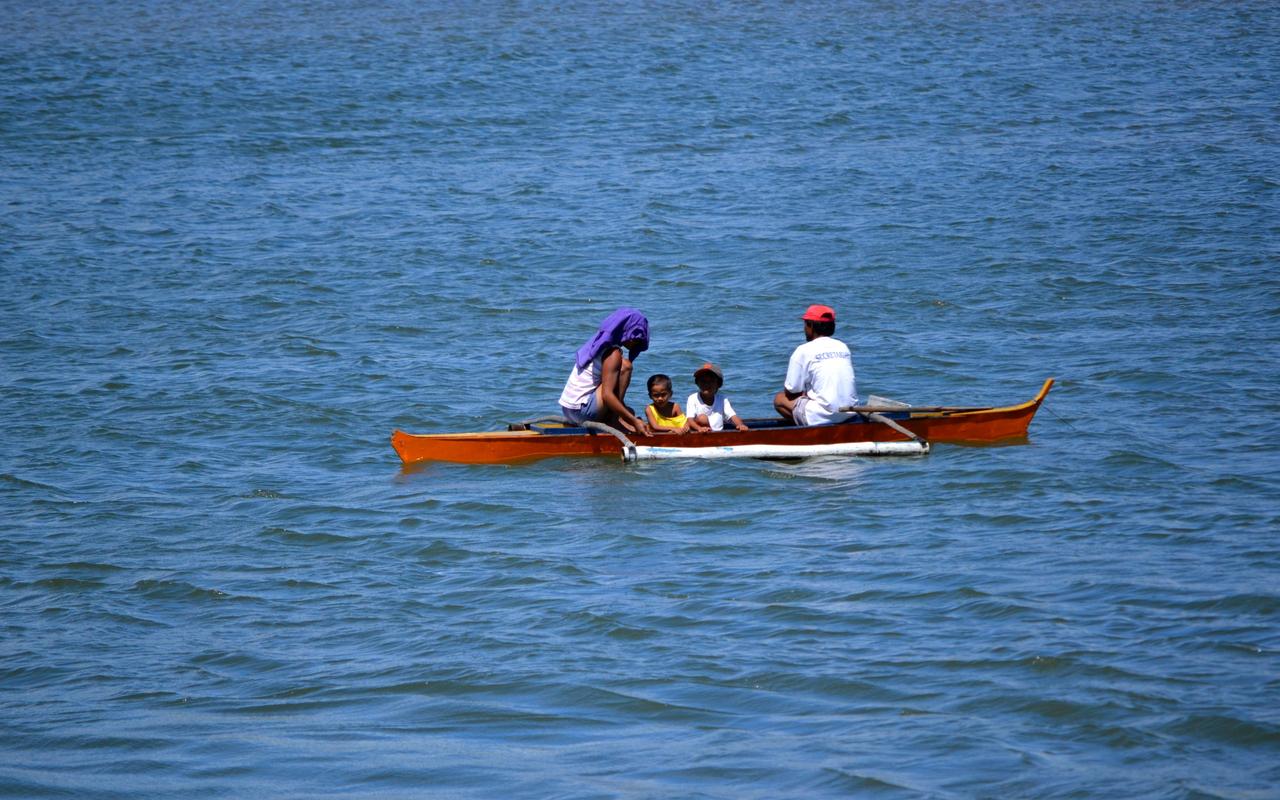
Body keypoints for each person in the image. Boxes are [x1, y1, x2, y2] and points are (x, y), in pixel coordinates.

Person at [559, 307, 655, 436]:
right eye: (635, 335)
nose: (636, 340)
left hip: (568, 410)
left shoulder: (598, 343)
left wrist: (628, 416)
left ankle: (615, 417)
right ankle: (613, 419)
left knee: (629, 411)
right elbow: (607, 395)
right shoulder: (612, 353)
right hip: (581, 412)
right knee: (625, 366)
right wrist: (633, 421)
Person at [773, 304, 858, 426]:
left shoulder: (803, 350)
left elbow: (791, 392)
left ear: (811, 326)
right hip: (849, 412)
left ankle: (809, 430)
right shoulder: (843, 347)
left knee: (779, 399)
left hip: (823, 415)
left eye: (805, 324)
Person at [686, 362, 749, 432]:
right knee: (702, 418)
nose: (706, 384)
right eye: (703, 381)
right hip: (701, 433)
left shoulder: (722, 399)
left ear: (718, 384)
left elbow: (732, 416)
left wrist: (740, 425)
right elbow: (690, 420)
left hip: (718, 434)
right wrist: (699, 428)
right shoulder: (693, 398)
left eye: (711, 381)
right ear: (697, 383)